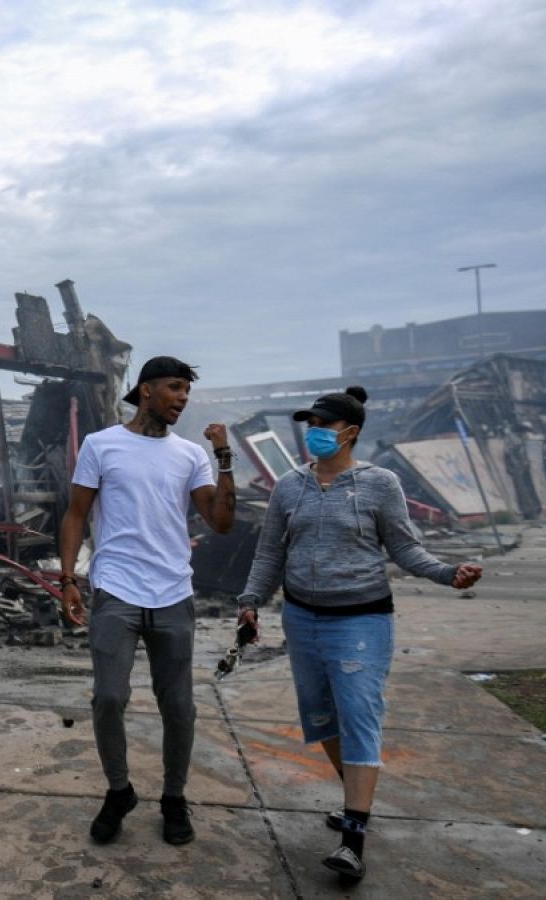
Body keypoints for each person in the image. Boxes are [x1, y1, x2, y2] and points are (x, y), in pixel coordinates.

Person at [234, 386, 482, 881]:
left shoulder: (380, 484)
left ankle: (353, 840)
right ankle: (358, 799)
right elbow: (269, 554)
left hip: (362, 620)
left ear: (350, 433)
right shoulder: (289, 486)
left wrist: (446, 573)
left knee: (360, 717)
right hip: (302, 618)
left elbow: (405, 549)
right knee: (322, 718)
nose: (314, 434)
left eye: (323, 426)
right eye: (311, 425)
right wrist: (249, 603)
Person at [59, 356, 236, 846]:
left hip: (173, 592)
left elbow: (220, 522)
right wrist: (69, 578)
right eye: (175, 388)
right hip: (115, 588)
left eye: (187, 392)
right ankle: (119, 791)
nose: (182, 398)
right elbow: (76, 514)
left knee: (178, 705)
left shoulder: (189, 455)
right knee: (109, 697)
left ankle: (174, 798)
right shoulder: (102, 445)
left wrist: (223, 457)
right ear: (146, 390)